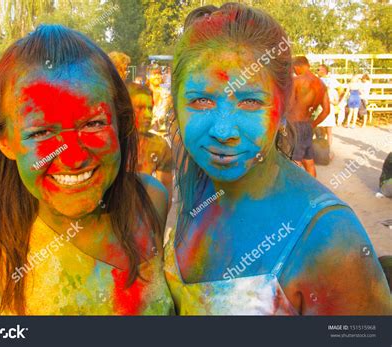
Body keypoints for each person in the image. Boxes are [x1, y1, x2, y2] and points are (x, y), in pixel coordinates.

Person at [165, 3, 391, 315]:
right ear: (175, 104)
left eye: (249, 101)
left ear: (283, 108)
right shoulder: (196, 181)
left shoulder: (330, 237)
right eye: (201, 100)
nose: (223, 131)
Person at [0, 25, 174, 315]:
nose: (74, 158)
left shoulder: (149, 202)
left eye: (93, 123)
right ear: (5, 141)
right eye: (41, 133)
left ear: (120, 122)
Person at [127, 83, 173, 208]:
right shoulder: (111, 145)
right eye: (140, 108)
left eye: (150, 108)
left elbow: (165, 195)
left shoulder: (159, 146)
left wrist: (156, 224)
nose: (148, 115)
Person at [287, 56, 330, 177]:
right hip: (307, 125)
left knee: (294, 161)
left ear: (297, 67)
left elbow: (289, 106)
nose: (294, 72)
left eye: (293, 69)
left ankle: (294, 192)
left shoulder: (296, 81)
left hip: (295, 126)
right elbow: (327, 111)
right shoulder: (321, 84)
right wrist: (313, 124)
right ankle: (313, 191)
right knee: (309, 161)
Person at [316, 64, 341, 151]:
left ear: (323, 71)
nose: (317, 71)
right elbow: (341, 90)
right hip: (322, 109)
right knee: (323, 131)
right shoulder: (318, 80)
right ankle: (324, 149)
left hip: (325, 109)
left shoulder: (323, 82)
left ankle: (325, 149)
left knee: (325, 131)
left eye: (318, 70)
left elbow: (340, 91)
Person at [147, 65, 173, 135]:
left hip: (162, 136)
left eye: (159, 74)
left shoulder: (166, 95)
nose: (157, 76)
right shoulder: (141, 93)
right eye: (154, 74)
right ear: (148, 76)